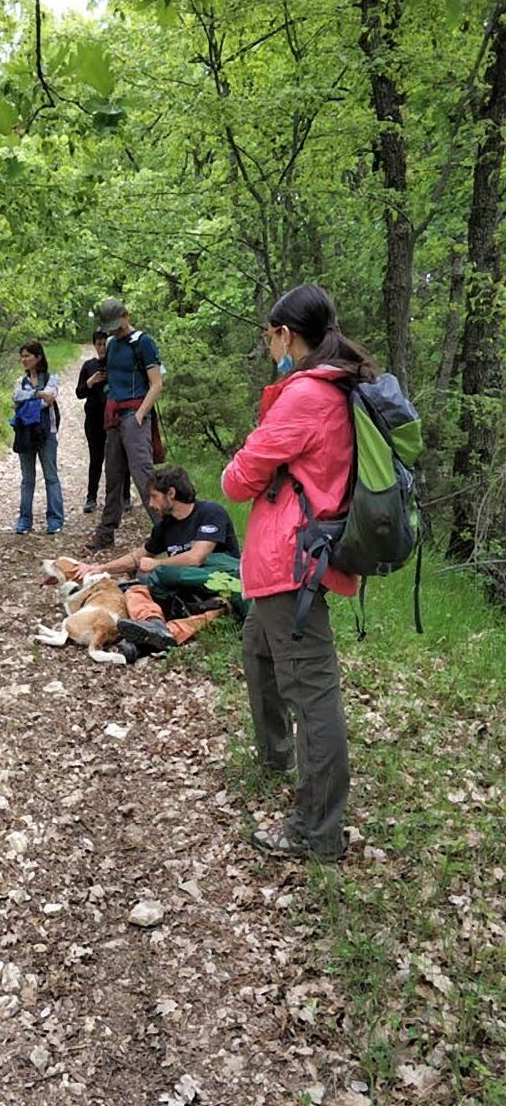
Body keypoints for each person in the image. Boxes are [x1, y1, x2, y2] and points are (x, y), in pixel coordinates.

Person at [222, 284, 368, 863]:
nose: (268, 346)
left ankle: (317, 831)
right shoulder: (332, 384)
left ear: (286, 334)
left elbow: (238, 479)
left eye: (270, 336)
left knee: (313, 695)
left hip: (293, 564)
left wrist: (246, 457)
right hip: (287, 561)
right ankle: (276, 756)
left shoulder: (306, 394)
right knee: (258, 649)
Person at [76, 466, 239, 661]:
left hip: (218, 586)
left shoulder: (211, 513)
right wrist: (100, 568)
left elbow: (197, 558)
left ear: (171, 493)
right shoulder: (166, 525)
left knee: (213, 610)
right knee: (134, 591)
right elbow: (139, 557)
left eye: (154, 496)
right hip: (184, 593)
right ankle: (153, 625)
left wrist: (157, 564)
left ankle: (159, 636)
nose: (151, 504)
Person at [85, 297, 164, 551]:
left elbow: (156, 384)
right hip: (114, 415)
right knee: (113, 475)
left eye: (118, 325)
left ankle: (166, 531)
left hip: (134, 413)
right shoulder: (111, 344)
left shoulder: (143, 342)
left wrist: (141, 414)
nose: (115, 330)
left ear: (126, 315)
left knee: (143, 475)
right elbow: (112, 375)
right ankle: (107, 531)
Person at [76, 329, 132, 515]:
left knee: (121, 458)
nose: (101, 348)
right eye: (98, 344)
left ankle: (124, 496)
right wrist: (91, 381)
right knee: (96, 458)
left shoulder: (116, 365)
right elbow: (79, 393)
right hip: (94, 420)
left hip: (116, 418)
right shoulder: (89, 366)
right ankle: (91, 497)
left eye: (104, 344)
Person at [13, 341, 64, 535]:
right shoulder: (20, 381)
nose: (24, 360)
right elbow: (16, 397)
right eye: (22, 356)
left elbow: (49, 399)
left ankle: (55, 519)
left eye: (28, 356)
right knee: (27, 479)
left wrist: (29, 398)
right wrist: (37, 394)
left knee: (51, 476)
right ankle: (24, 519)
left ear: (38, 357)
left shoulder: (52, 378)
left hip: (46, 432)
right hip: (25, 432)